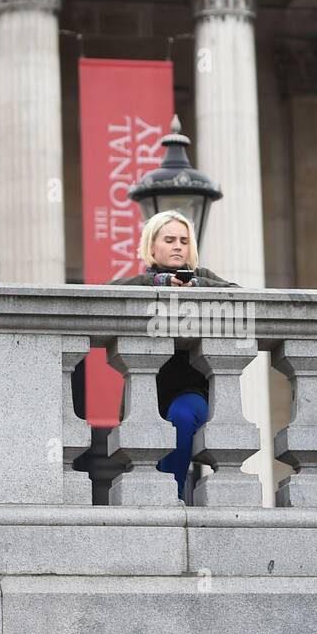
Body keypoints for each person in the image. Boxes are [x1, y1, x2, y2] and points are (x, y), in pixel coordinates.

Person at [116, 209, 239, 498]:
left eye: (184, 241)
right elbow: (108, 292)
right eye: (169, 239)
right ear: (152, 246)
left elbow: (238, 293)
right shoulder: (141, 282)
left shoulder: (202, 277)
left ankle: (172, 496)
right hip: (147, 389)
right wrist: (159, 285)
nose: (177, 246)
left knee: (182, 417)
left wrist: (195, 286)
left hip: (193, 389)